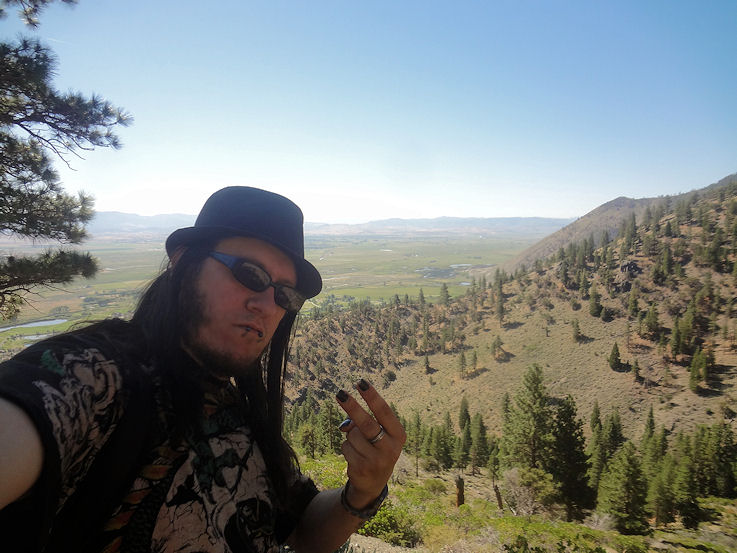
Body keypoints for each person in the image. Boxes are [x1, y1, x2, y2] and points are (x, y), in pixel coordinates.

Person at [0, 186, 405, 553]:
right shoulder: (96, 376)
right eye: (250, 274)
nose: (267, 306)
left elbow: (301, 534)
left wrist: (363, 491)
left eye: (285, 294)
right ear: (181, 261)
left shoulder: (240, 412)